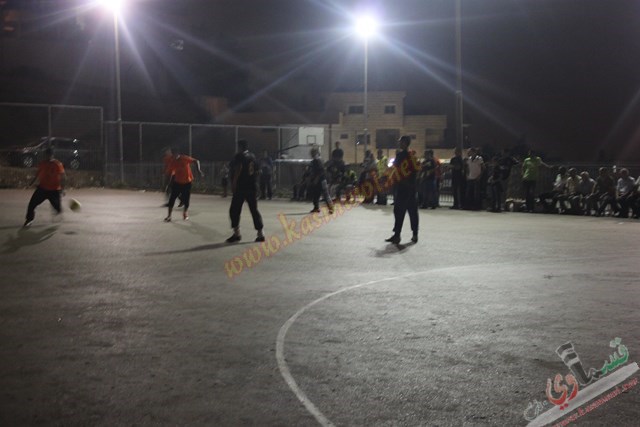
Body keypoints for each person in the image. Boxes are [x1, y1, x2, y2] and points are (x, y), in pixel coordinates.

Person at [227, 140, 265, 242]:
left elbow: (238, 168)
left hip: (241, 186)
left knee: (234, 210)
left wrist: (234, 183)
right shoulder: (252, 156)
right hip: (251, 186)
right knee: (254, 210)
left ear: (240, 147)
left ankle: (237, 234)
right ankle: (260, 234)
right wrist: (256, 185)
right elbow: (258, 171)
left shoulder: (239, 156)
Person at [386, 136, 419, 244]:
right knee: (412, 211)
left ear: (404, 143)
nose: (399, 143)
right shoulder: (412, 155)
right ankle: (414, 234)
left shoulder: (401, 155)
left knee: (399, 211)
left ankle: (397, 235)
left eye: (400, 142)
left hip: (403, 187)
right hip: (410, 187)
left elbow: (395, 169)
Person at [24, 147, 66, 227]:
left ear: (52, 155)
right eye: (46, 155)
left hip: (54, 190)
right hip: (42, 189)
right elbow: (37, 174)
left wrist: (62, 189)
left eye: (49, 155)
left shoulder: (57, 164)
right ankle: (29, 219)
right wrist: (31, 183)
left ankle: (58, 210)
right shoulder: (42, 164)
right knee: (32, 204)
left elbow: (63, 177)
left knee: (57, 208)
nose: (47, 156)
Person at [164, 148, 203, 222]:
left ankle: (185, 213)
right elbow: (169, 174)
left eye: (176, 154)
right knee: (172, 199)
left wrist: (198, 170)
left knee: (186, 199)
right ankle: (169, 216)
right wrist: (167, 185)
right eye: (173, 155)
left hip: (187, 182)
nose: (175, 156)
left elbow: (196, 161)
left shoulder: (184, 158)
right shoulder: (172, 162)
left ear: (178, 154)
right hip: (177, 182)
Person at [308, 146, 334, 214]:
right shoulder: (314, 161)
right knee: (316, 194)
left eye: (313, 152)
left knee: (325, 194)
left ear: (316, 153)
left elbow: (321, 171)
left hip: (322, 180)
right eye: (311, 153)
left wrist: (316, 179)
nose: (312, 154)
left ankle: (331, 208)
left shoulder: (318, 160)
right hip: (317, 180)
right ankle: (316, 207)